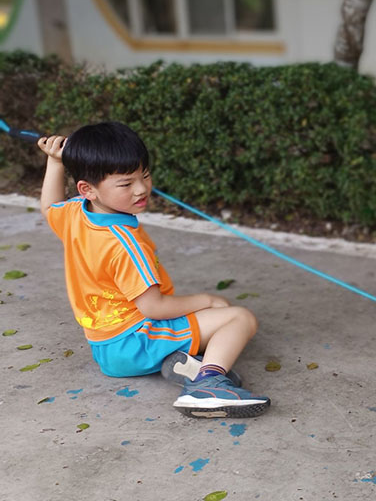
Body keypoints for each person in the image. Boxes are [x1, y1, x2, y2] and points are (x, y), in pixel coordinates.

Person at [37, 121, 270, 419]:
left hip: (105, 346)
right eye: (126, 184)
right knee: (239, 317)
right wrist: (208, 300)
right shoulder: (126, 245)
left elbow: (49, 207)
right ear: (87, 189)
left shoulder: (75, 214)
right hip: (136, 342)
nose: (141, 188)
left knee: (212, 315)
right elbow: (153, 307)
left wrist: (55, 162)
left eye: (144, 175)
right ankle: (207, 385)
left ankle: (185, 362)